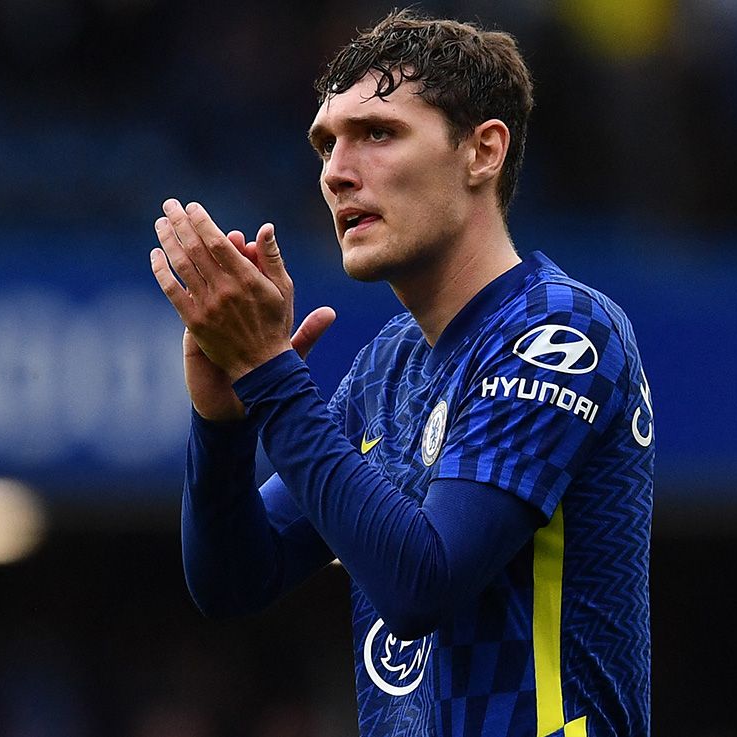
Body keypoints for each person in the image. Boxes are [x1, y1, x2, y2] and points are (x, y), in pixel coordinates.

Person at [148, 9, 653, 737]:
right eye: (326, 144)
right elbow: (234, 578)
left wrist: (271, 372)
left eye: (378, 134)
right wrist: (224, 421)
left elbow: (422, 581)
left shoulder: (560, 332)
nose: (336, 172)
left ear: (482, 152)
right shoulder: (389, 367)